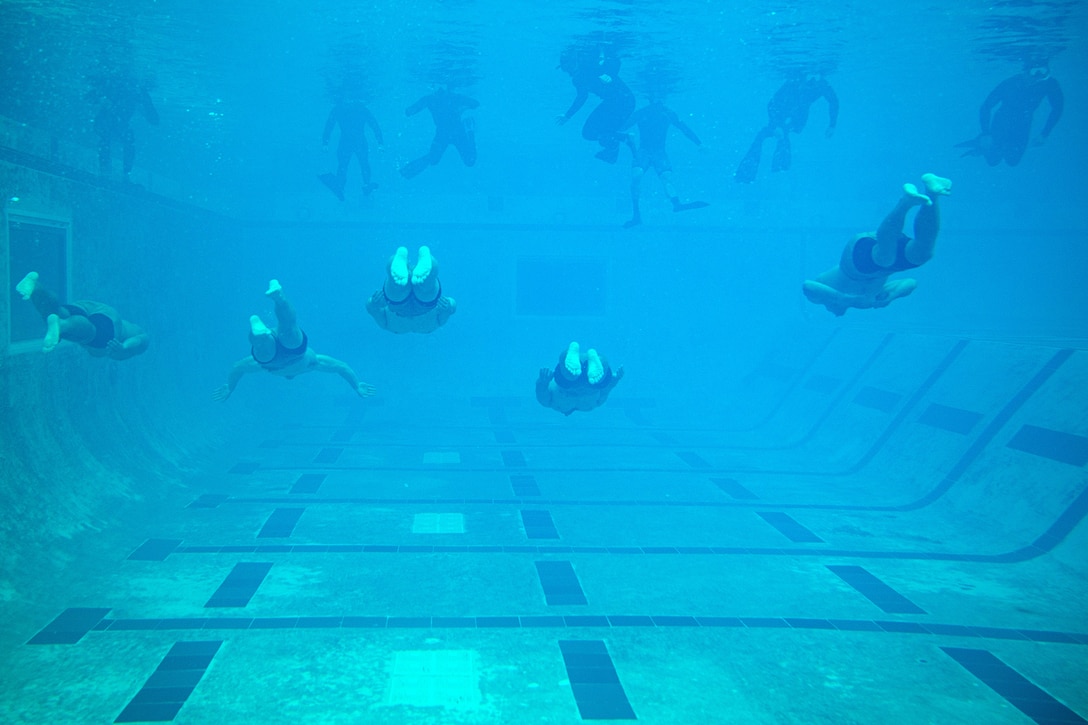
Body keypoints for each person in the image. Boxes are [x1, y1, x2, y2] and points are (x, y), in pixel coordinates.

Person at [802, 173, 951, 316]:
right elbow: (911, 283)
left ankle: (905, 202)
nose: (835, 313)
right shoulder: (870, 300)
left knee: (884, 258)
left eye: (831, 310)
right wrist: (891, 296)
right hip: (885, 261)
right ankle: (932, 193)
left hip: (855, 261)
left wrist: (844, 300)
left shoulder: (828, 295)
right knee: (922, 254)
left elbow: (808, 286)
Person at [212, 280, 375, 400]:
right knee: (273, 338)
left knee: (287, 328)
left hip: (290, 354)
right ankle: (269, 315)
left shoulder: (311, 365)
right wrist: (356, 385)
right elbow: (341, 367)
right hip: (280, 358)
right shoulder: (313, 363)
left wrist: (230, 387)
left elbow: (237, 368)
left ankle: (275, 305)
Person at [14, 271, 149, 359]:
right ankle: (61, 324)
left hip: (96, 308)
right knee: (90, 331)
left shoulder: (128, 346)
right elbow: (140, 340)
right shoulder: (136, 340)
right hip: (111, 325)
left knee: (59, 312)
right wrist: (124, 346)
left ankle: (36, 287)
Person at [620, 98, 708, 228]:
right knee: (642, 176)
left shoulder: (654, 112)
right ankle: (639, 214)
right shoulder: (662, 112)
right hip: (651, 152)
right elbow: (683, 128)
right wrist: (699, 143)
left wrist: (699, 143)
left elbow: (623, 126)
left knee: (656, 177)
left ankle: (674, 204)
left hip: (654, 152)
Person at [734, 72, 838, 183]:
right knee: (768, 136)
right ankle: (751, 172)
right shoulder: (793, 84)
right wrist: (776, 125)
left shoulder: (819, 85)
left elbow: (833, 101)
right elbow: (772, 104)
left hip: (796, 119)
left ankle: (778, 167)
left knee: (779, 136)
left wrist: (832, 124)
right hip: (782, 115)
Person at [955, 61, 1063, 167]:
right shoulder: (1010, 83)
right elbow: (986, 106)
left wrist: (1044, 134)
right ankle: (981, 145)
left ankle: (985, 146)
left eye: (1043, 72)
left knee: (1012, 161)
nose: (1038, 77)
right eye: (1034, 72)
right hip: (1002, 122)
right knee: (993, 161)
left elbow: (1057, 108)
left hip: (1023, 124)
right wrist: (986, 133)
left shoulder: (1049, 84)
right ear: (1025, 71)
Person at [555, 47, 636, 163]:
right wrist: (568, 115)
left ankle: (619, 144)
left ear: (575, 61)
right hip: (611, 103)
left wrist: (610, 75)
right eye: (565, 70)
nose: (569, 73)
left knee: (602, 133)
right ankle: (622, 141)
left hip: (625, 101)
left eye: (569, 68)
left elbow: (614, 61)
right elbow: (582, 97)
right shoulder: (577, 79)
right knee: (588, 133)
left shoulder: (591, 65)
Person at [365, 246, 456, 334]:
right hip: (400, 305)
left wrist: (373, 303)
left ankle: (428, 271)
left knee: (426, 288)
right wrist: (449, 305)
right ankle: (424, 269)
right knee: (397, 288)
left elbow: (371, 308)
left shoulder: (388, 325)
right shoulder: (388, 326)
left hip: (424, 306)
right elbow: (451, 307)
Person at [85, 73, 159, 179]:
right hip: (109, 120)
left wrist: (145, 99)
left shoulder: (135, 92)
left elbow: (154, 120)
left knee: (112, 140)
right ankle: (114, 173)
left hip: (113, 121)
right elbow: (154, 119)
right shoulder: (117, 88)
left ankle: (116, 173)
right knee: (109, 139)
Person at [399, 86, 479, 179]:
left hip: (453, 133)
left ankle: (470, 131)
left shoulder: (435, 98)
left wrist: (462, 106)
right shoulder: (435, 98)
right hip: (446, 134)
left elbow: (475, 104)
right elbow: (475, 104)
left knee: (468, 161)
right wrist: (462, 106)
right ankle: (470, 131)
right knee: (434, 160)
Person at [319, 97, 385, 200]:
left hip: (350, 141)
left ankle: (362, 185)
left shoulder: (343, 108)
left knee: (354, 164)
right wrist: (325, 142)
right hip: (354, 141)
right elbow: (374, 124)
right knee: (350, 164)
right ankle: (349, 186)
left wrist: (325, 142)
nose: (348, 100)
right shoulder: (355, 108)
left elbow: (374, 124)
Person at [536, 341, 624, 416]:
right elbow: (541, 395)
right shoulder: (553, 404)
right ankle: (592, 358)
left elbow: (605, 391)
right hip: (581, 381)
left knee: (600, 380)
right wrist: (615, 380)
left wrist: (542, 382)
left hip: (586, 384)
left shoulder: (592, 406)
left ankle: (597, 359)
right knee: (571, 375)